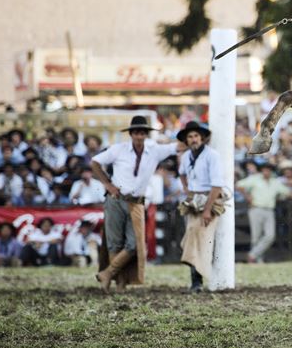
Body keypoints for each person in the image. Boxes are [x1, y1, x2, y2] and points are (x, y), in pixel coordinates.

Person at [91, 115, 182, 294]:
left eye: (142, 133)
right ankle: (119, 284)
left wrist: (195, 138)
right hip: (116, 199)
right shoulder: (118, 149)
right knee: (115, 243)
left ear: (146, 135)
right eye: (136, 133)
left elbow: (177, 147)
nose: (139, 136)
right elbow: (95, 162)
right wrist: (108, 184)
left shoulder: (154, 150)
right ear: (131, 134)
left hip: (137, 201)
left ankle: (108, 273)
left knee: (134, 245)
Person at [176, 122, 226, 293]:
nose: (193, 139)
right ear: (186, 140)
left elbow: (217, 185)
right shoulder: (186, 157)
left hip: (210, 200)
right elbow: (182, 173)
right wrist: (187, 190)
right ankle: (196, 281)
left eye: (196, 136)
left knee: (202, 238)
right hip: (193, 201)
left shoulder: (212, 155)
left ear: (202, 138)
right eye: (190, 136)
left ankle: (198, 280)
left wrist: (207, 210)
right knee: (192, 234)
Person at [236, 161, 290, 263]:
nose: (266, 172)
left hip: (269, 210)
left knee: (270, 235)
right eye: (265, 170)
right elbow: (239, 185)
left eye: (269, 170)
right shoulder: (255, 179)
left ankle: (252, 255)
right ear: (262, 170)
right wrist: (247, 196)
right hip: (256, 209)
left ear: (271, 171)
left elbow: (287, 192)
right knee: (256, 236)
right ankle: (258, 260)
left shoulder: (275, 182)